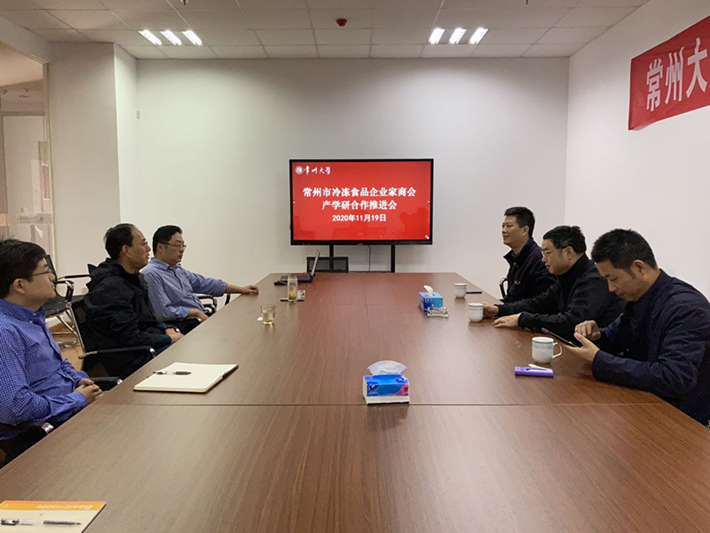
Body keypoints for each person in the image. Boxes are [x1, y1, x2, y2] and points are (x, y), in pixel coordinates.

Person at [569, 229, 710, 426]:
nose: (611, 288)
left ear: (639, 268)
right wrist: (597, 335)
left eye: (613, 279)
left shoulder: (687, 308)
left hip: (679, 420)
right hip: (640, 405)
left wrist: (600, 360)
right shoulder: (638, 297)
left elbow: (673, 377)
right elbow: (618, 336)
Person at [0, 240, 101, 461]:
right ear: (20, 285)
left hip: (71, 411)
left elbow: (58, 363)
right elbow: (15, 407)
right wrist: (76, 399)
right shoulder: (5, 332)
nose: (53, 277)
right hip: (45, 431)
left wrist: (78, 379)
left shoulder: (32, 316)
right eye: (45, 272)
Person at [482, 225, 624, 340]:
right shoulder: (565, 275)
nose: (543, 259)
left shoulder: (594, 279)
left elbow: (571, 323)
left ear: (568, 252)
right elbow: (538, 303)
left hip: (598, 354)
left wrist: (524, 319)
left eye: (547, 253)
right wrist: (499, 310)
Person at [83, 224, 183, 377]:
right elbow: (131, 338)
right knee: (187, 353)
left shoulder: (132, 279)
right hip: (134, 358)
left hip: (146, 348)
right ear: (126, 250)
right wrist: (168, 338)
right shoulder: (110, 289)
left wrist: (166, 327)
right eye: (143, 244)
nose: (148, 249)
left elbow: (147, 320)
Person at [142, 225, 259, 330]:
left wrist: (241, 289)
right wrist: (195, 312)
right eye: (177, 245)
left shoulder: (177, 270)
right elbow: (163, 312)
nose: (181, 250)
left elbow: (205, 283)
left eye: (183, 246)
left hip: (199, 318)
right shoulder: (151, 274)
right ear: (160, 247)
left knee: (244, 322)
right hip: (184, 325)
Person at [499, 207, 554, 302]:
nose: (504, 230)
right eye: (503, 226)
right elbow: (512, 298)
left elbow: (541, 303)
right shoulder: (516, 258)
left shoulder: (539, 260)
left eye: (509, 226)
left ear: (525, 230)